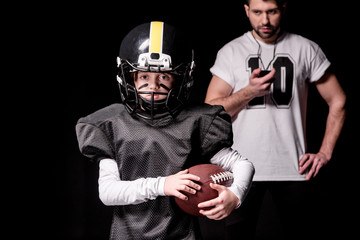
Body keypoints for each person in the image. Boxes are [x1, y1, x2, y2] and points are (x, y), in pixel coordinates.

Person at [75, 21, 255, 240]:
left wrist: (235, 196)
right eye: (144, 76)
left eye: (164, 76)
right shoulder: (112, 124)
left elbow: (243, 165)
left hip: (180, 234)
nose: (153, 85)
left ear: (180, 78)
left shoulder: (196, 120)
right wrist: (162, 185)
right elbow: (108, 192)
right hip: (128, 234)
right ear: (129, 77)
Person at [204, 0, 346, 239]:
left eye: (272, 12)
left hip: (293, 168)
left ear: (283, 8)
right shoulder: (231, 51)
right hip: (242, 169)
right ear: (247, 11)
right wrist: (249, 91)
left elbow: (338, 100)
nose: (265, 21)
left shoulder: (305, 48)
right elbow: (210, 110)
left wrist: (324, 152)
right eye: (258, 12)